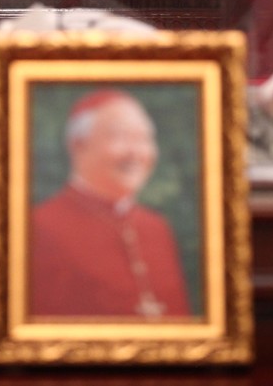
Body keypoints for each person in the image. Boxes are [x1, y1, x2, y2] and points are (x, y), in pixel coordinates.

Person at [30, 88, 190, 318]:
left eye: (144, 139)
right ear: (78, 144)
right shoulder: (40, 227)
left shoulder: (156, 228)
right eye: (121, 137)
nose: (136, 152)